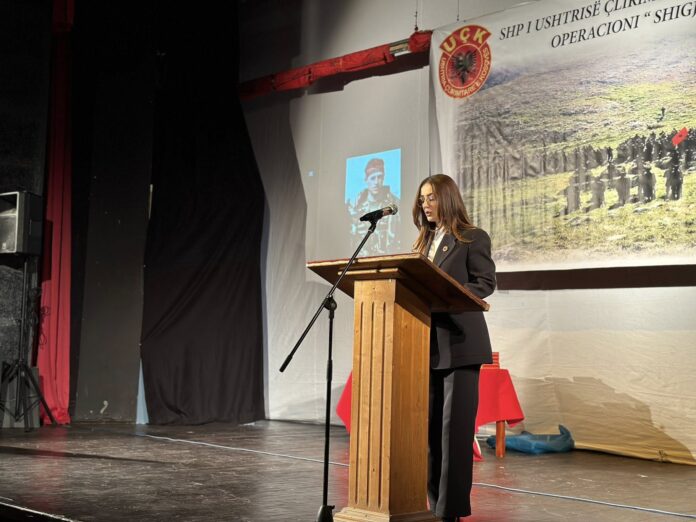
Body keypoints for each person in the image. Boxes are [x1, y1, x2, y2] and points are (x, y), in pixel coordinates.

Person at [412, 174, 496, 521]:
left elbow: (485, 283)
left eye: (431, 197)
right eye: (422, 199)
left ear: (447, 198)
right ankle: (436, 508)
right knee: (432, 434)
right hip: (427, 345)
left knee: (454, 433)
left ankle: (451, 512)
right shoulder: (423, 243)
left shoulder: (472, 237)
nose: (425, 205)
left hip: (461, 344)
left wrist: (446, 292)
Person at [348, 157, 400, 254]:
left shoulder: (393, 203)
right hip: (360, 259)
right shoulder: (355, 205)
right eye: (372, 178)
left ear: (383, 178)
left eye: (379, 177)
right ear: (366, 180)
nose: (376, 182)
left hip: (387, 258)